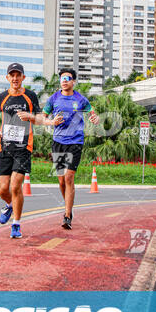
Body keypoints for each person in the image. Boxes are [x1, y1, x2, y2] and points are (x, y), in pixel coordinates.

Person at [0, 63, 61, 238]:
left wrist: (32, 117)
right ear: (7, 78)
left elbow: (39, 118)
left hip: (23, 147)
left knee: (15, 186)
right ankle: (11, 205)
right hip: (4, 147)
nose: (15, 78)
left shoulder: (30, 96)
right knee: (2, 189)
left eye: (18, 75)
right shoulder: (1, 97)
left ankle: (16, 224)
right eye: (11, 75)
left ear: (23, 78)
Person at [42, 68, 99, 230]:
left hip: (75, 142)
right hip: (58, 142)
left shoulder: (80, 99)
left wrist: (95, 118)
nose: (64, 81)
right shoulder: (54, 98)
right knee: (61, 180)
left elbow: (92, 112)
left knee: (69, 178)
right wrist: (51, 123)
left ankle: (67, 215)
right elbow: (42, 118)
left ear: (73, 81)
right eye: (62, 78)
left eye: (68, 78)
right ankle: (68, 204)